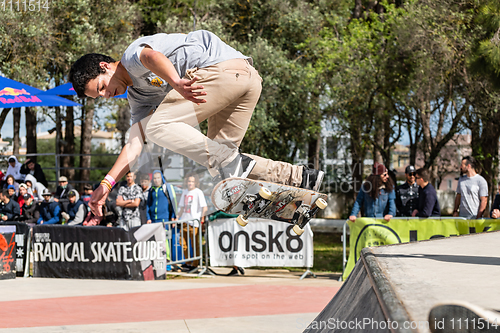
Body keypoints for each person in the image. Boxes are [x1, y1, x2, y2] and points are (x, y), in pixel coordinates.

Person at [69, 30, 324, 219]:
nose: (105, 95)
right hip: (246, 81)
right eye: (98, 97)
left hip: (220, 72)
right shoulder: (138, 98)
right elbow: (134, 144)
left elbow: (150, 56)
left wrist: (176, 82)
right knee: (224, 169)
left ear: (105, 67)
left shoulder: (129, 58)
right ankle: (300, 178)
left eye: (101, 87)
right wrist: (106, 185)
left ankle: (233, 164)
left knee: (157, 127)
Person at [178, 173, 207, 267]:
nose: (190, 183)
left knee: (195, 244)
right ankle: (187, 262)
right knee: (183, 243)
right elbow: (182, 207)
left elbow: (204, 207)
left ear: (195, 183)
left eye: (192, 181)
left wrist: (202, 220)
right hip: (184, 221)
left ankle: (195, 264)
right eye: (189, 181)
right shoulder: (185, 192)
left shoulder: (198, 192)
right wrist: (177, 217)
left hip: (194, 222)